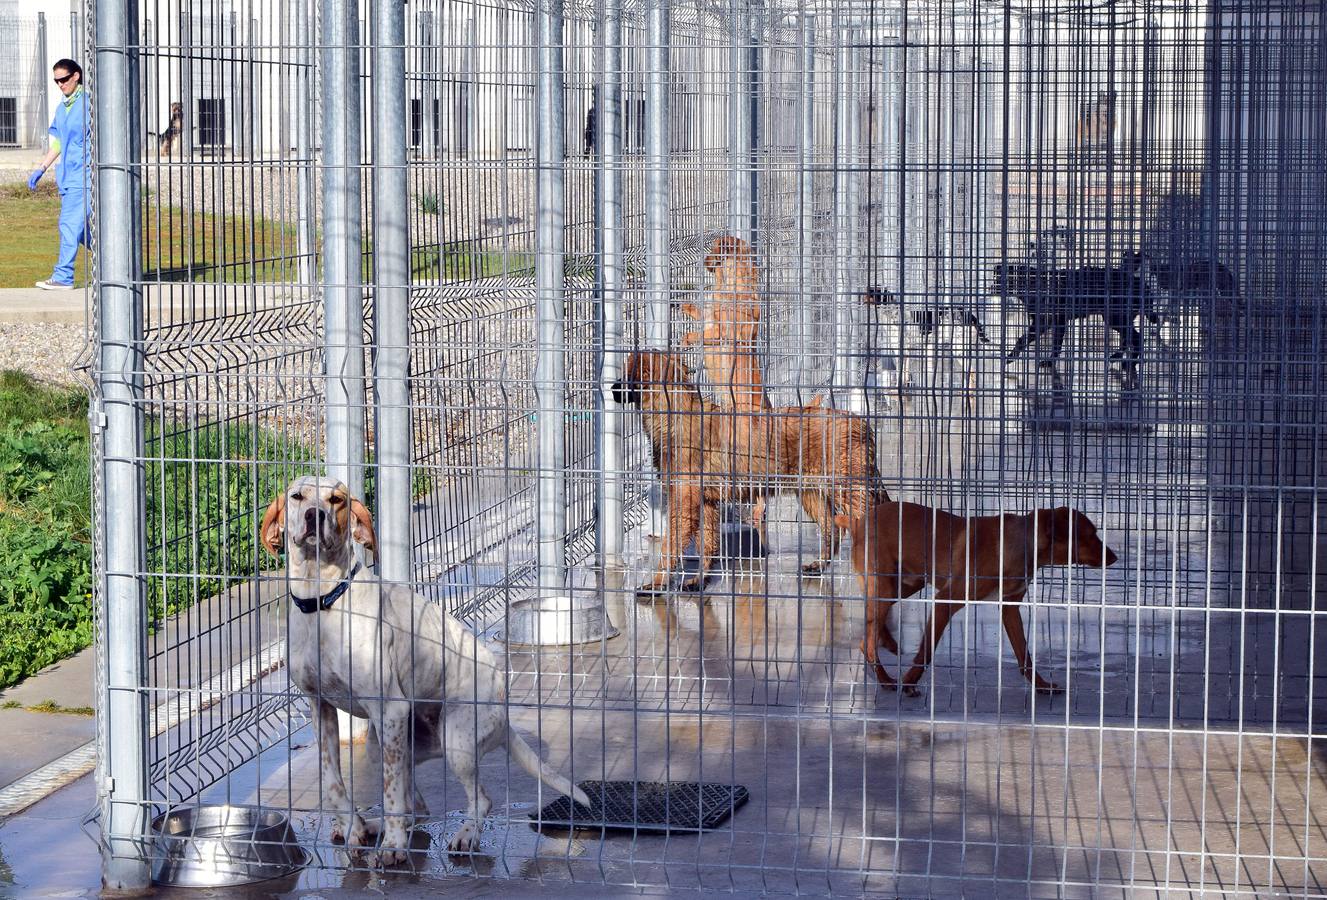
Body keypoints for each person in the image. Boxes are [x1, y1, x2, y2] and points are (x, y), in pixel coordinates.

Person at [27, 58, 89, 291]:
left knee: (68, 224)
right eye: (56, 81)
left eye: (64, 79)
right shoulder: (63, 107)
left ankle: (63, 276)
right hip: (69, 174)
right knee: (83, 230)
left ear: (76, 76)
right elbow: (60, 142)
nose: (60, 84)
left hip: (84, 174)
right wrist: (41, 168)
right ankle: (118, 263)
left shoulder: (89, 103)